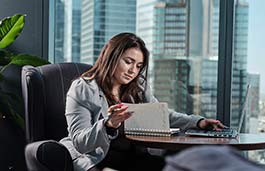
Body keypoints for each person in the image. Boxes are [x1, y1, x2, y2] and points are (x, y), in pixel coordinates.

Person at [60, 32, 226, 171]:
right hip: (97, 158)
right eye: (128, 62)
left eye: (139, 66)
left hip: (135, 156)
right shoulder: (83, 89)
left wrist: (199, 122)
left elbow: (161, 115)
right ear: (111, 57)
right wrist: (108, 125)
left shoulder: (138, 86)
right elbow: (80, 141)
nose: (133, 71)